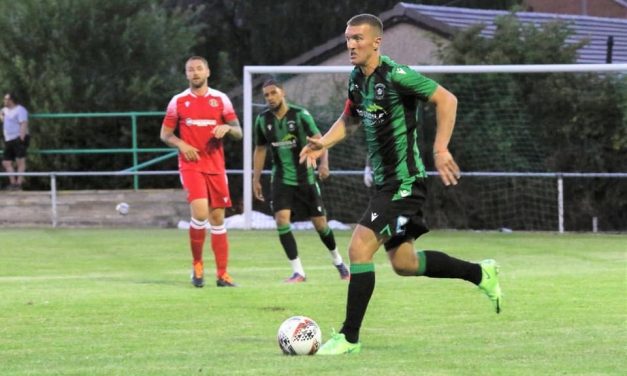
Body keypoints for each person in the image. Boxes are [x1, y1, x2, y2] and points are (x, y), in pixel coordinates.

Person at [299, 14, 502, 355]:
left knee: (358, 248)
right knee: (404, 263)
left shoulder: (396, 75)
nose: (351, 45)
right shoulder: (356, 80)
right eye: (348, 38)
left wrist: (439, 148)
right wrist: (323, 143)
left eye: (358, 39)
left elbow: (446, 99)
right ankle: (481, 274)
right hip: (384, 185)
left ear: (376, 42)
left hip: (405, 183)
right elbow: (349, 118)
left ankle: (349, 338)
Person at [253, 79, 350, 283]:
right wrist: (256, 178)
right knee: (281, 220)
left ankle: (339, 262)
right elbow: (260, 149)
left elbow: (321, 140)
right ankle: (298, 272)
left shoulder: (300, 115)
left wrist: (324, 164)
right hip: (280, 179)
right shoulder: (262, 120)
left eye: (273, 93)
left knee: (321, 225)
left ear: (283, 93)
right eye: (266, 95)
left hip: (305, 177)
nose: (270, 98)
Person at [160, 56, 242, 288]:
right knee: (200, 213)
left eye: (199, 68)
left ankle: (222, 275)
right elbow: (165, 134)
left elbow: (239, 132)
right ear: (186, 74)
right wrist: (182, 144)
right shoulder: (178, 101)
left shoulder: (221, 99)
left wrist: (228, 128)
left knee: (218, 219)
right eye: (190, 70)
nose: (195, 73)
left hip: (216, 166)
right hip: (191, 165)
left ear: (208, 72)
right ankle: (197, 266)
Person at [1, 92, 29, 190]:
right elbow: (2, 118)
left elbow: (24, 124)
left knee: (20, 161)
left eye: (6, 99)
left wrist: (21, 139)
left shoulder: (20, 110)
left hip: (18, 137)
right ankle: (13, 183)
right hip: (8, 139)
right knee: (6, 162)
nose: (4, 100)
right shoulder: (4, 110)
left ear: (11, 100)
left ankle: (19, 183)